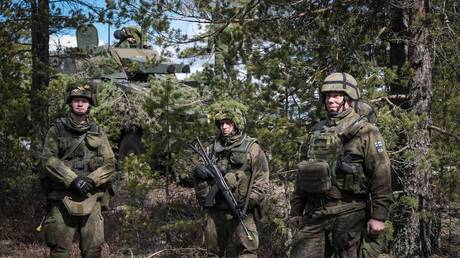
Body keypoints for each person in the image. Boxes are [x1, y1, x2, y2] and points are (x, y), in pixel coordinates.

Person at [289, 72, 392, 258]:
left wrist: (378, 215)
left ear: (349, 98)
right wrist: (297, 209)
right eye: (327, 96)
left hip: (350, 213)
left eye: (336, 95)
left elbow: (381, 174)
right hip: (316, 212)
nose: (330, 100)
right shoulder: (316, 131)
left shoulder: (367, 131)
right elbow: (302, 174)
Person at [41, 81, 116, 258]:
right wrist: (73, 179)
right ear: (70, 102)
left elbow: (110, 164)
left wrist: (91, 180)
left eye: (84, 100)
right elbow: (48, 160)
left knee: (93, 251)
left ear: (90, 103)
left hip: (91, 198)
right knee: (59, 250)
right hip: (62, 198)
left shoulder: (98, 131)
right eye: (76, 100)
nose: (80, 103)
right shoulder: (56, 130)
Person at [193, 100, 270, 258]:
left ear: (237, 124)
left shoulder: (252, 148)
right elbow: (199, 176)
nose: (224, 127)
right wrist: (199, 173)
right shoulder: (212, 148)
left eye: (228, 123)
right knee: (212, 253)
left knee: (247, 252)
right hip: (216, 211)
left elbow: (262, 180)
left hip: (241, 210)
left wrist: (249, 202)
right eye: (221, 123)